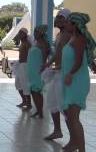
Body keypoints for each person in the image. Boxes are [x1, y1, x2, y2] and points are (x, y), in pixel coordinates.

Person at [60, 12, 95, 151]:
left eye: (68, 22)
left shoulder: (79, 39)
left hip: (77, 81)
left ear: (75, 25)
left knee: (74, 118)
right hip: (71, 80)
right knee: (69, 115)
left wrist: (70, 74)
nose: (66, 24)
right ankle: (74, 143)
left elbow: (79, 60)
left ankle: (82, 149)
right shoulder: (72, 37)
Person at [43, 8, 72, 140]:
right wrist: (48, 64)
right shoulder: (60, 35)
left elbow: (64, 54)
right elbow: (57, 53)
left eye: (61, 17)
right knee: (52, 102)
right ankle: (57, 131)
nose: (57, 19)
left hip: (64, 73)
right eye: (57, 17)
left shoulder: (68, 35)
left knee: (64, 107)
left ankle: (74, 138)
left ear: (67, 20)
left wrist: (50, 65)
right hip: (57, 72)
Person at [27, 25, 50, 118]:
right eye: (34, 31)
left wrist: (42, 70)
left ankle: (40, 113)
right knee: (33, 91)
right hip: (32, 70)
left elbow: (44, 59)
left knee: (37, 91)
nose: (35, 33)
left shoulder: (44, 44)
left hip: (38, 70)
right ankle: (38, 110)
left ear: (41, 33)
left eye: (36, 32)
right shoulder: (36, 43)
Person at [14, 28, 31, 110]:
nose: (19, 35)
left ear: (24, 34)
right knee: (18, 83)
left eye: (21, 33)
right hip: (21, 65)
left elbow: (30, 55)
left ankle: (29, 104)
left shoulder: (27, 43)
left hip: (25, 65)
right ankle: (24, 100)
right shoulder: (22, 43)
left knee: (25, 84)